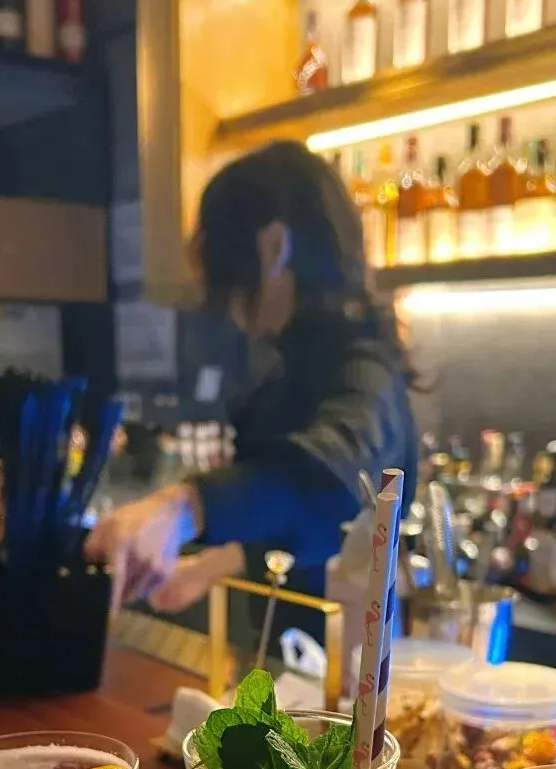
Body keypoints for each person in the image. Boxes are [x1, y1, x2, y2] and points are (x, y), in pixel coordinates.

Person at [85, 140, 418, 615]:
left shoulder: (363, 367)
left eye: (225, 270)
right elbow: (299, 523)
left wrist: (180, 509)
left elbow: (328, 481)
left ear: (273, 247)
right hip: (297, 647)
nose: (226, 304)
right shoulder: (300, 360)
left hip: (350, 656)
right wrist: (209, 566)